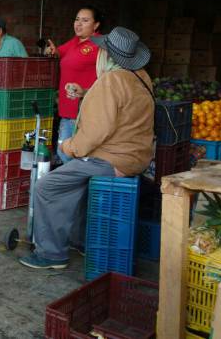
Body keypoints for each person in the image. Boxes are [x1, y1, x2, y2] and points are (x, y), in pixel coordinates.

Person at [19, 27, 154, 270]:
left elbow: (95, 132)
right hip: (137, 157)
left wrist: (68, 146)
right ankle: (80, 241)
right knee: (76, 181)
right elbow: (122, 109)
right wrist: (87, 94)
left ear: (107, 55)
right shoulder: (140, 77)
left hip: (112, 160)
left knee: (48, 186)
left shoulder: (111, 80)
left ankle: (51, 254)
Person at [44, 7, 104, 164]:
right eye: (77, 19)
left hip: (83, 112)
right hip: (67, 109)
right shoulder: (75, 42)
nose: (79, 24)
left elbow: (108, 77)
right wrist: (51, 51)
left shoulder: (100, 46)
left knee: (69, 155)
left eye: (85, 20)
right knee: (66, 153)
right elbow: (59, 52)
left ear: (96, 25)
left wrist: (86, 92)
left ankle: (79, 187)